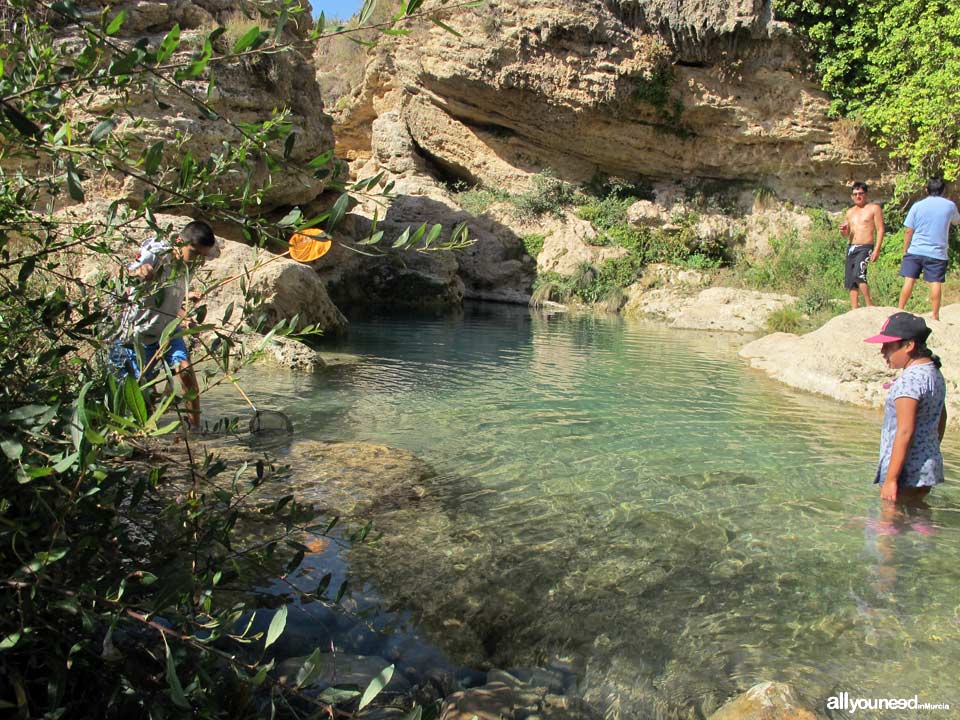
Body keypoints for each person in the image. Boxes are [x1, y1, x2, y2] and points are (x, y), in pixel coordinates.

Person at [110, 220, 220, 428]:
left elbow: (168, 297)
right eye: (195, 254)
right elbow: (120, 274)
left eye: (203, 257)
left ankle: (194, 430)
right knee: (141, 400)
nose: (198, 261)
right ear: (179, 242)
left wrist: (184, 315)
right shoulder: (156, 255)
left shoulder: (189, 265)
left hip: (167, 331)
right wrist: (139, 272)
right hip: (135, 336)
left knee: (185, 370)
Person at [864, 312, 947, 503]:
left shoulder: (908, 382)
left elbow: (905, 431)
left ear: (909, 345)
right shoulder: (933, 373)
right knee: (917, 512)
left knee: (889, 522)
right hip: (927, 466)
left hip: (905, 471)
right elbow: (941, 417)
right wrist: (930, 451)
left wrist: (891, 479)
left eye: (888, 345)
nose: (882, 350)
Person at [898, 177, 960, 321]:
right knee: (935, 282)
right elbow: (956, 221)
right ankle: (935, 315)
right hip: (937, 252)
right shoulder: (949, 205)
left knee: (909, 280)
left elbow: (908, 230)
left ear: (926, 190)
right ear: (943, 190)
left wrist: (906, 249)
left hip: (916, 249)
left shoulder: (917, 206)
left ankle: (900, 309)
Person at [840, 181, 884, 309]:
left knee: (859, 274)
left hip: (865, 246)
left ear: (866, 194)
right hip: (852, 246)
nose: (858, 196)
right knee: (851, 279)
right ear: (852, 196)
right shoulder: (850, 212)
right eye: (855, 194)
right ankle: (854, 308)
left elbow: (880, 229)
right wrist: (843, 231)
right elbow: (847, 234)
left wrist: (877, 249)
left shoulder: (873, 208)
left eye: (860, 194)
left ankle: (869, 304)